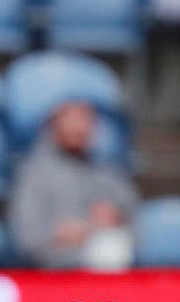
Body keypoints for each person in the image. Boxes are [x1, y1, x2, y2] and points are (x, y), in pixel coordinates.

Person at [8, 101, 137, 269]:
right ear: (54, 127)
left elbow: (136, 228)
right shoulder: (33, 174)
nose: (78, 128)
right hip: (52, 273)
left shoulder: (107, 174)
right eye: (70, 121)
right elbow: (26, 240)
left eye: (84, 121)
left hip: (104, 270)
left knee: (112, 249)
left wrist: (116, 218)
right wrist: (59, 235)